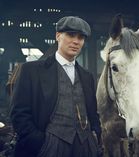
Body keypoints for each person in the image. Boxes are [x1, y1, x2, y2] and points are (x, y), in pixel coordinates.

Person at [10, 16, 103, 157]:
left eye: (81, 37)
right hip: (49, 146)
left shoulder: (87, 76)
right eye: (71, 35)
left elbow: (92, 112)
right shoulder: (31, 70)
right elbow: (19, 112)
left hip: (85, 146)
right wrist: (39, 141)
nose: (76, 41)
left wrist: (95, 135)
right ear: (58, 36)